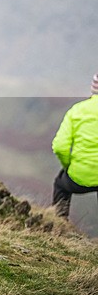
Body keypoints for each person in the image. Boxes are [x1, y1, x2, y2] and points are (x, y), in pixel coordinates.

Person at [51, 73, 98, 219]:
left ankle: (59, 223)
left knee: (60, 185)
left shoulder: (76, 111)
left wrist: (68, 166)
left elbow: (59, 146)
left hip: (80, 175)